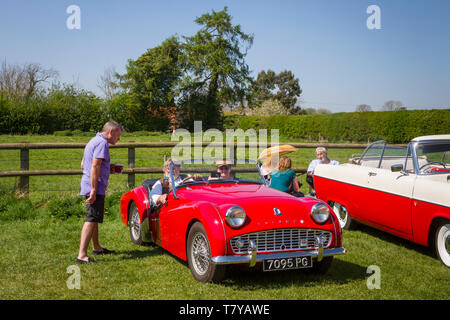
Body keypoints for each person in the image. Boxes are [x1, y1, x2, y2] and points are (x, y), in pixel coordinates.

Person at [77, 120, 123, 264]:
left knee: (94, 217)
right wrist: (94, 190)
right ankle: (82, 256)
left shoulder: (93, 140)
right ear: (111, 132)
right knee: (91, 219)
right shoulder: (102, 143)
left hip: (90, 184)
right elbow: (95, 166)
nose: (119, 139)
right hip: (94, 187)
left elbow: (84, 163)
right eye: (118, 135)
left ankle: (96, 247)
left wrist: (108, 168)